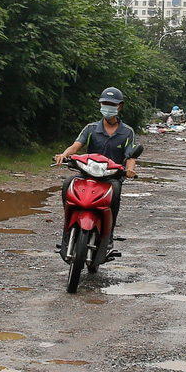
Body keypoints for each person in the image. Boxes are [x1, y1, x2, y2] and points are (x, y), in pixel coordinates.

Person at [55, 87, 139, 253]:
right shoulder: (91, 128)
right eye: (105, 103)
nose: (107, 107)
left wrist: (130, 170)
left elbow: (131, 156)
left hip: (111, 177)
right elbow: (76, 146)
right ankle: (67, 231)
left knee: (115, 193)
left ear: (119, 107)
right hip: (87, 174)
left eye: (111, 104)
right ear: (100, 104)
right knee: (67, 184)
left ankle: (108, 236)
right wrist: (63, 155)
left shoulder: (127, 132)